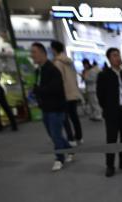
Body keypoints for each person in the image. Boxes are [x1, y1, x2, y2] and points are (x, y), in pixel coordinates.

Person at [30, 42, 71, 172]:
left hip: (56, 108)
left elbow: (56, 89)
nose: (32, 55)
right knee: (53, 134)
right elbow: (39, 87)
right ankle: (69, 149)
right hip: (45, 108)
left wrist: (39, 90)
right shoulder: (38, 71)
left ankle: (59, 158)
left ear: (43, 53)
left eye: (34, 52)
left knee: (55, 134)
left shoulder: (52, 69)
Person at [97, 47, 122, 177]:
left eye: (118, 55)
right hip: (112, 112)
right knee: (112, 140)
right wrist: (107, 108)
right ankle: (110, 165)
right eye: (114, 55)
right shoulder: (104, 75)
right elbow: (100, 95)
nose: (118, 58)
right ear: (109, 59)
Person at [51, 41, 83, 146]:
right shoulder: (69, 61)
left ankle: (71, 139)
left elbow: (59, 80)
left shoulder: (58, 63)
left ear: (54, 49)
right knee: (74, 116)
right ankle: (79, 137)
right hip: (73, 92)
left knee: (65, 118)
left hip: (64, 94)